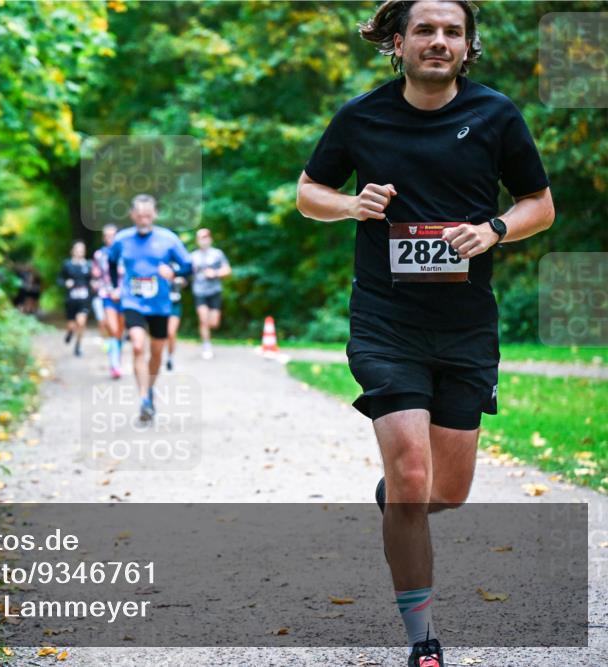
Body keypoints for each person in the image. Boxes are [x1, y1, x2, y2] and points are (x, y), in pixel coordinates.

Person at [295, 2, 554, 666]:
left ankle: (397, 503)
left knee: (445, 492)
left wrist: (495, 228)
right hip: (386, 322)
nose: (438, 41)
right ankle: (424, 641)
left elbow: (540, 205)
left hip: (466, 327)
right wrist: (352, 203)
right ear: (398, 42)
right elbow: (308, 191)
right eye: (425, 30)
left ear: (468, 46)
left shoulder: (496, 116)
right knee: (413, 474)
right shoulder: (362, 116)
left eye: (452, 32)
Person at [108, 195, 192, 422]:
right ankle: (144, 398)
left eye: (148, 215)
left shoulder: (168, 239)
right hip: (132, 301)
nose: (143, 219)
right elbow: (111, 261)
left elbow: (188, 266)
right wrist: (115, 286)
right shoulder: (122, 239)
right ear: (132, 215)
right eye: (139, 215)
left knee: (156, 352)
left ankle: (150, 389)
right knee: (137, 346)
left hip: (160, 304)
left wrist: (174, 274)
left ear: (154, 214)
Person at [190, 228, 231, 360]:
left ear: (210, 238)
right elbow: (186, 273)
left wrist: (215, 273)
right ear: (197, 240)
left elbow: (227, 270)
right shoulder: (193, 257)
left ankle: (208, 335)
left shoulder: (217, 254)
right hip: (199, 291)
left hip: (214, 291)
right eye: (201, 237)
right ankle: (206, 345)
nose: (204, 240)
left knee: (213, 323)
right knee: (203, 319)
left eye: (206, 237)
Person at [92, 224, 124, 379]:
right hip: (107, 295)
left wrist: (121, 291)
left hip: (124, 296)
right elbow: (98, 277)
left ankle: (117, 358)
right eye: (107, 236)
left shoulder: (125, 253)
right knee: (112, 328)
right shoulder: (99, 255)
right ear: (103, 238)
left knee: (119, 332)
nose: (110, 238)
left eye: (113, 235)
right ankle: (115, 365)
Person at [58, 240, 94, 357]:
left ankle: (78, 346)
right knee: (72, 325)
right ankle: (70, 332)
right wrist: (65, 283)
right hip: (71, 299)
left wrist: (94, 284)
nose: (79, 252)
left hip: (84, 299)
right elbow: (59, 279)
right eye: (77, 250)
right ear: (72, 251)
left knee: (81, 323)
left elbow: (92, 280)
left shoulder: (88, 265)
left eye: (82, 250)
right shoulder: (67, 264)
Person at [166, 263, 186, 371]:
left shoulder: (178, 264)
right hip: (159, 304)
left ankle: (170, 357)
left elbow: (185, 281)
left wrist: (179, 281)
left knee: (171, 332)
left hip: (174, 304)